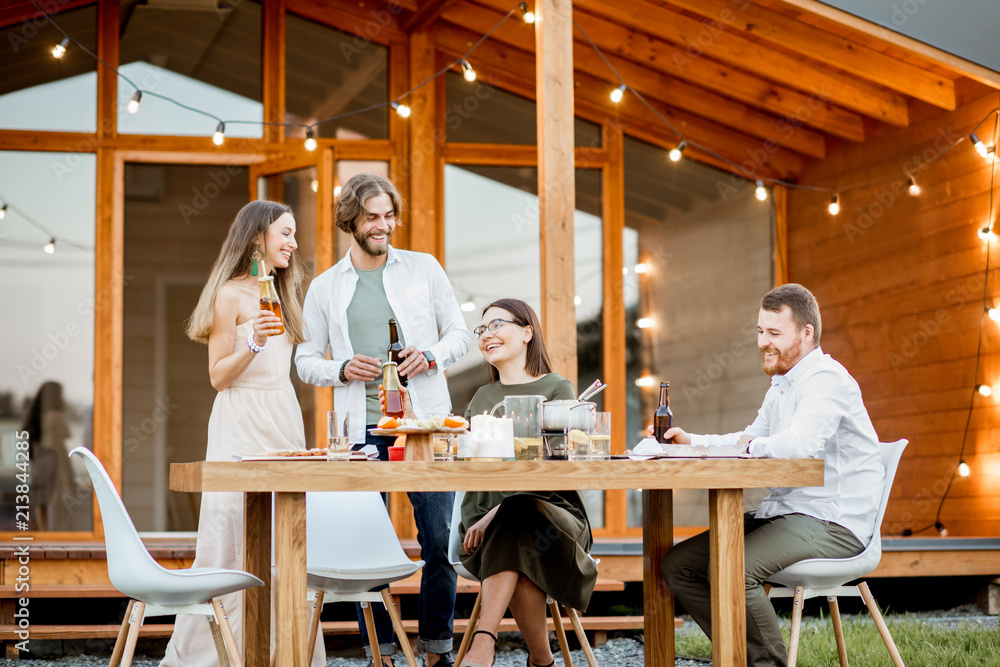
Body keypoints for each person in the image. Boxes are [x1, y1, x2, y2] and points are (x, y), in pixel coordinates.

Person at [658, 283, 885, 667]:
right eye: (760, 331)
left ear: (806, 333)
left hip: (833, 520)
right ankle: (740, 654)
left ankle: (769, 664)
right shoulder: (782, 383)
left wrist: (749, 445)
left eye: (774, 333)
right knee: (677, 565)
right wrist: (690, 441)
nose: (763, 341)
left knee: (736, 566)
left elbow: (799, 445)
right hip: (787, 512)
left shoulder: (826, 380)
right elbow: (754, 438)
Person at [295, 173, 470, 667]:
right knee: (364, 544)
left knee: (438, 540)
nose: (383, 225)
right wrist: (341, 368)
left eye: (388, 215)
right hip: (361, 431)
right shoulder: (326, 287)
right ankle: (382, 652)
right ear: (351, 220)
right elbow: (305, 360)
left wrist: (431, 356)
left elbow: (460, 333)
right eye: (372, 216)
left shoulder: (424, 268)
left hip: (424, 426)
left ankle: (436, 650)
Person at [387, 298, 596, 667]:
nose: (487, 335)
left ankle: (484, 643)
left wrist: (498, 511)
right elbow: (453, 456)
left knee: (517, 519)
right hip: (484, 530)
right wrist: (409, 418)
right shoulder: (483, 397)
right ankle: (541, 662)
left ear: (527, 332)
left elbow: (560, 470)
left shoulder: (557, 388)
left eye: (497, 325)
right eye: (482, 330)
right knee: (517, 536)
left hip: (555, 520)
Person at [161, 200, 325, 667]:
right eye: (285, 234)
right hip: (240, 421)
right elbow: (218, 376)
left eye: (294, 234)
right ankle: (218, 655)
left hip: (283, 416)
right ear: (257, 237)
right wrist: (252, 342)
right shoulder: (230, 295)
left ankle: (285, 652)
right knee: (231, 534)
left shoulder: (287, 293)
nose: (293, 243)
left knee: (286, 536)